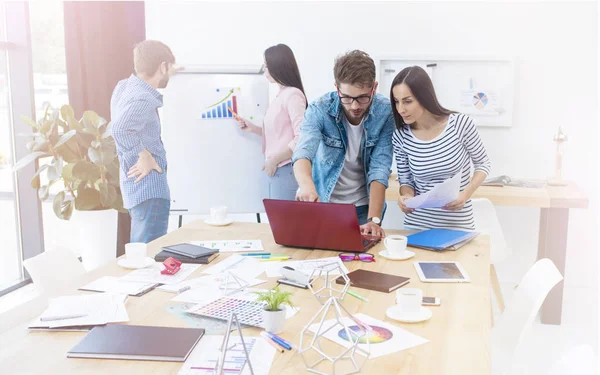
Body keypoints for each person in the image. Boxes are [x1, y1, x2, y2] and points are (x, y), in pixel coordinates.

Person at [292, 50, 394, 237]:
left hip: (365, 208)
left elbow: (380, 166)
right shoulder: (319, 109)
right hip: (325, 204)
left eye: (363, 97)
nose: (355, 106)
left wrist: (374, 220)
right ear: (337, 88)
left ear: (374, 88)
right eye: (346, 97)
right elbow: (303, 151)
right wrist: (306, 185)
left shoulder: (385, 112)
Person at [390, 66, 491, 230]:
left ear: (424, 97)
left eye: (407, 101)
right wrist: (406, 197)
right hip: (417, 226)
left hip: (458, 226)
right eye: (396, 101)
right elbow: (406, 181)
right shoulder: (401, 137)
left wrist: (465, 195)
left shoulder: (460, 124)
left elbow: (483, 164)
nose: (400, 109)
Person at [111, 40, 181, 243]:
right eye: (167, 67)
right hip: (150, 188)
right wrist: (145, 155)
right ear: (162, 67)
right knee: (148, 257)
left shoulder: (124, 87)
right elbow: (120, 129)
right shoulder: (143, 98)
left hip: (135, 188)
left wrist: (171, 70)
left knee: (141, 252)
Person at [235, 44, 307, 200]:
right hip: (278, 168)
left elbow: (302, 138)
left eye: (267, 66)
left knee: (284, 222)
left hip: (286, 168)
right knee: (279, 221)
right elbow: (280, 133)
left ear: (278, 66)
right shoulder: (282, 94)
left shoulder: (293, 95)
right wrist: (254, 128)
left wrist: (274, 160)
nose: (264, 70)